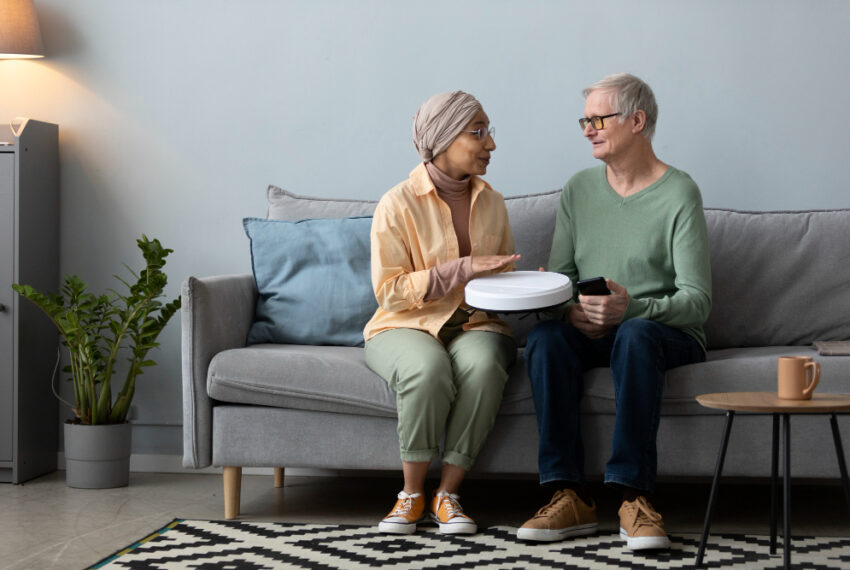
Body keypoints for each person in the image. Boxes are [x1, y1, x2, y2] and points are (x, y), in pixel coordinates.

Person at [517, 73, 711, 550]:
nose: (587, 129)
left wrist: (632, 308)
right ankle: (569, 495)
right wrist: (568, 313)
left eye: (598, 119)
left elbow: (698, 301)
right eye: (585, 119)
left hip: (662, 334)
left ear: (637, 121)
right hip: (593, 332)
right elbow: (560, 277)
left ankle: (635, 498)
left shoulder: (679, 192)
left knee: (636, 334)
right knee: (544, 339)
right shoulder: (579, 189)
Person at [363, 91, 520, 535]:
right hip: (404, 324)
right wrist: (461, 269)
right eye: (478, 132)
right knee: (426, 369)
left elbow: (499, 277)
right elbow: (390, 292)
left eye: (489, 131)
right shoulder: (396, 203)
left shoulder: (493, 201)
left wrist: (528, 287)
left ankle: (447, 495)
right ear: (445, 137)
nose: (490, 144)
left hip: (477, 324)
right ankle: (410, 495)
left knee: (485, 364)